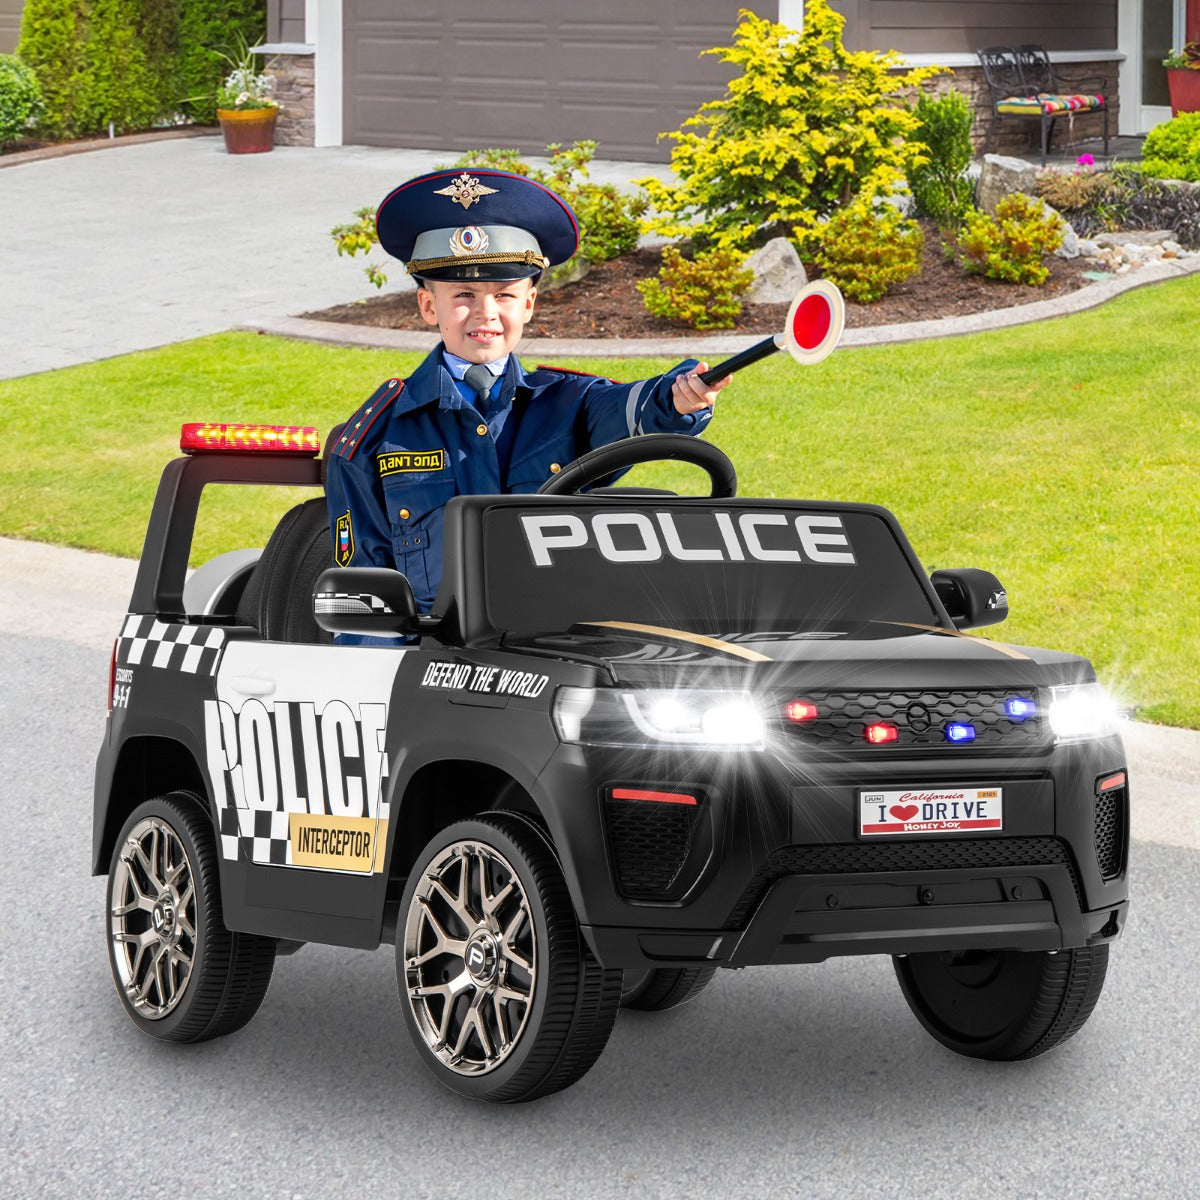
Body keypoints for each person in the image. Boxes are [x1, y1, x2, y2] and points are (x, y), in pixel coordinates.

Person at [325, 167, 731, 618]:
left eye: (504, 295)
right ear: (427, 305)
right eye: (462, 295)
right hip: (433, 664)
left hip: (558, 650)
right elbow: (364, 605)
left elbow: (631, 411)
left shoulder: (571, 404)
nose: (485, 314)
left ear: (529, 304)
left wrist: (677, 400)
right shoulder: (375, 438)